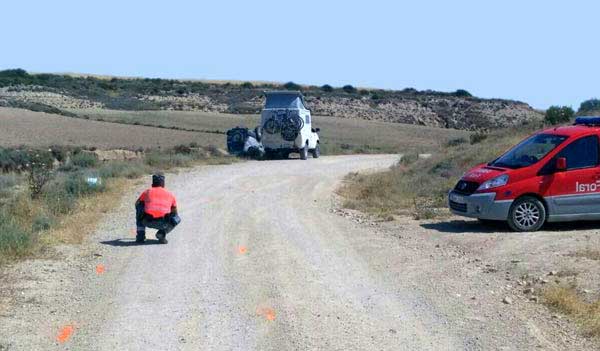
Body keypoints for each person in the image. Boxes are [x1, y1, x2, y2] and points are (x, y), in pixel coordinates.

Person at [135, 174, 180, 244]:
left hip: (147, 220)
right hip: (164, 223)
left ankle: (140, 235)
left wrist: (142, 212)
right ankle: (162, 233)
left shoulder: (147, 192)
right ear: (163, 184)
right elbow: (175, 212)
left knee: (139, 206)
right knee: (177, 218)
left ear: (152, 184)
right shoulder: (170, 194)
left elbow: (136, 203)